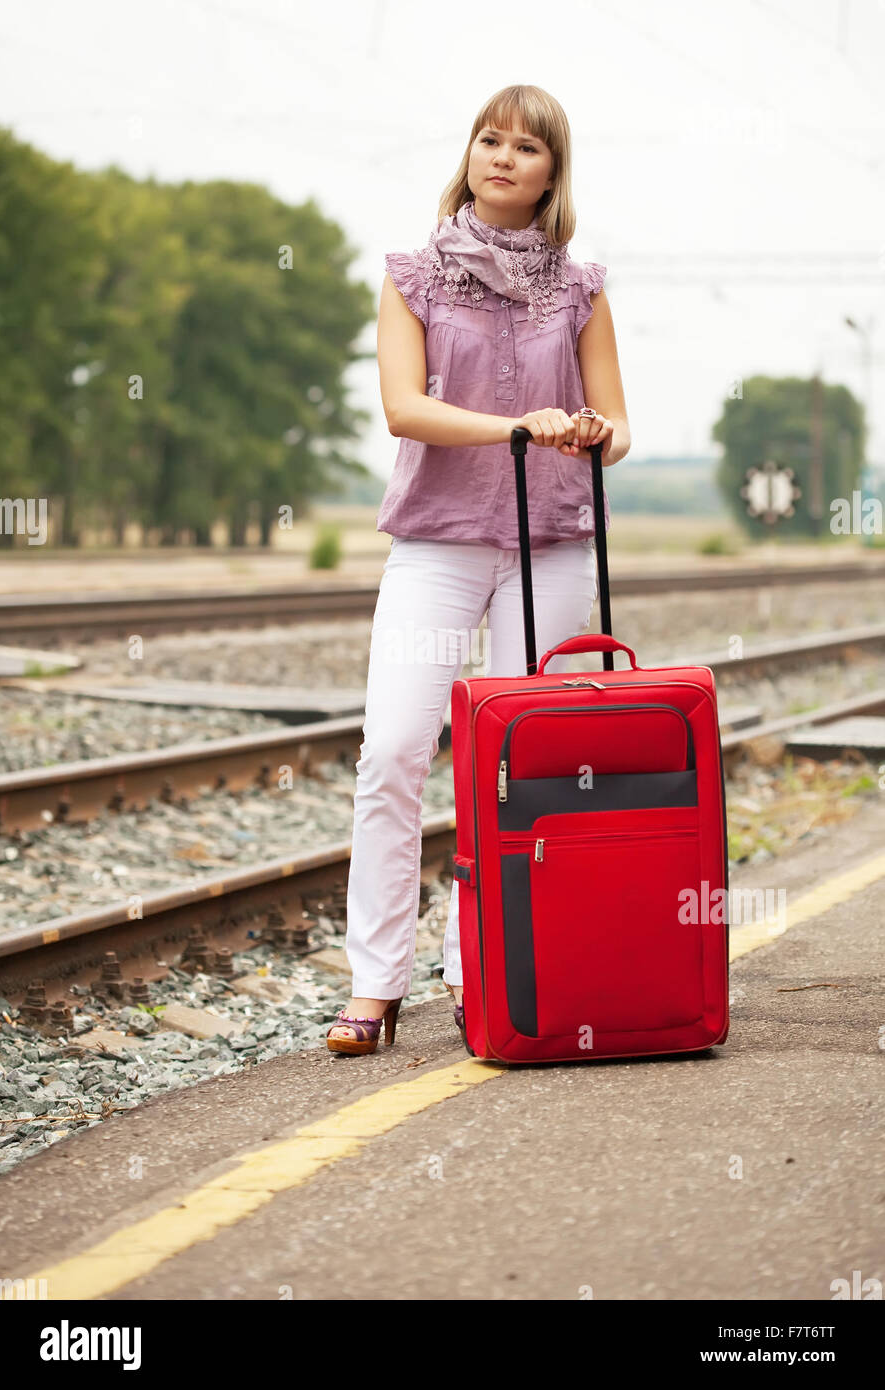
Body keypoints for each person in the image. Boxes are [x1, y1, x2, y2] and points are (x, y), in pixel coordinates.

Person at [326, 83, 630, 1055]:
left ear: (552, 172)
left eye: (525, 147)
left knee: (513, 772)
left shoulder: (581, 287)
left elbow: (617, 428)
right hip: (438, 542)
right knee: (393, 753)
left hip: (552, 545)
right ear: (468, 155)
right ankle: (375, 983)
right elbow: (403, 409)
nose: (502, 156)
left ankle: (483, 973)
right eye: (488, 139)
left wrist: (587, 431)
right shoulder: (413, 276)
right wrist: (516, 425)